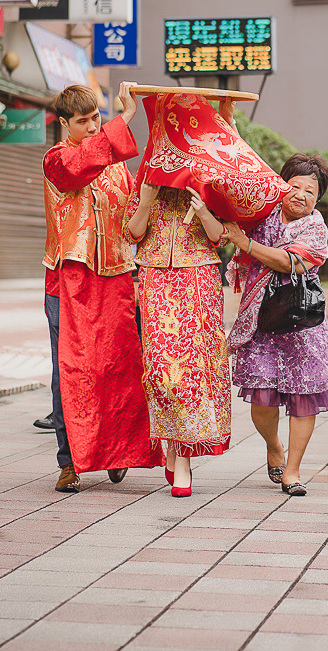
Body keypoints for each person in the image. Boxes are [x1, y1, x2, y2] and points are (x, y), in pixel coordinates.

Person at [42, 82, 164, 493]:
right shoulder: (56, 159)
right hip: (68, 280)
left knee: (120, 368)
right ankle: (70, 461)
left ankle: (116, 451)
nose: (93, 126)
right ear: (64, 124)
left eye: (97, 118)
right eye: (84, 120)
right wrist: (125, 117)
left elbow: (133, 213)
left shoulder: (115, 165)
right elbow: (79, 168)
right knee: (70, 373)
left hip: (115, 278)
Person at [126, 101, 237, 498]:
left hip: (201, 274)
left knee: (192, 367)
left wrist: (204, 209)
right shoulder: (147, 181)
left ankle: (183, 456)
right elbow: (133, 233)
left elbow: (223, 237)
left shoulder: (207, 175)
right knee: (160, 368)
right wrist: (145, 200)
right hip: (155, 275)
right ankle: (174, 446)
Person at [223, 153, 328, 497]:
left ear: (317, 200)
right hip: (260, 322)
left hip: (301, 325)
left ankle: (293, 470)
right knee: (261, 400)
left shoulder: (315, 227)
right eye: (295, 186)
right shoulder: (261, 213)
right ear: (281, 185)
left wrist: (246, 244)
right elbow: (237, 173)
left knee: (304, 398)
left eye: (310, 192)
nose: (301, 195)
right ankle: (274, 445)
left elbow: (291, 262)